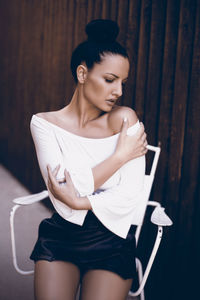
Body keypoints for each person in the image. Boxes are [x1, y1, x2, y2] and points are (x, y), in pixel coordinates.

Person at [30, 19, 148, 300]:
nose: (118, 91)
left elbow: (131, 195)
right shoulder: (44, 124)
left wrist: (80, 200)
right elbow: (61, 197)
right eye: (110, 80)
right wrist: (120, 156)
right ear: (82, 74)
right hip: (62, 236)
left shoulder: (125, 119)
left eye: (122, 82)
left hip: (113, 239)